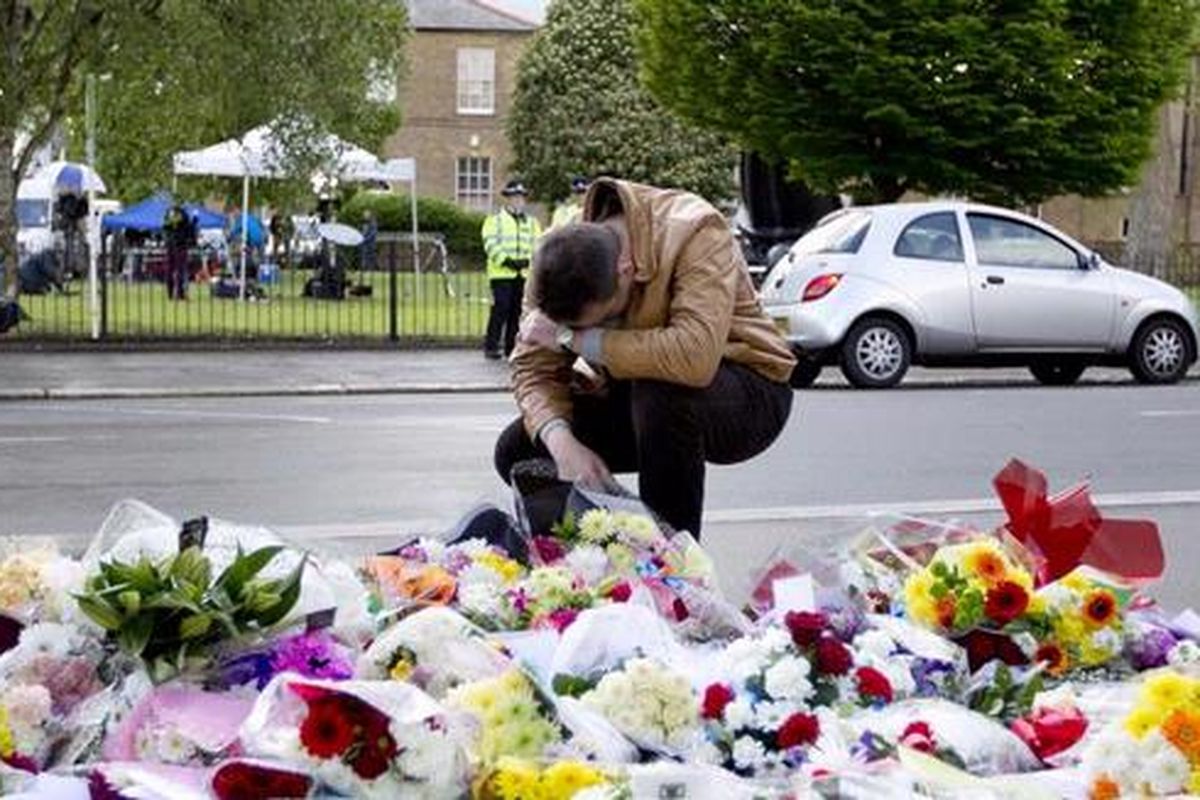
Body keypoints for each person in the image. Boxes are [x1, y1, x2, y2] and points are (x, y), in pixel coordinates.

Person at [494, 178, 797, 538]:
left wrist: (568, 338)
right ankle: (602, 561)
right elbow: (532, 367)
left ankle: (676, 573)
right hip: (638, 393)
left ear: (626, 269)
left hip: (747, 388)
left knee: (661, 393)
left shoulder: (696, 229)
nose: (589, 334)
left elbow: (694, 356)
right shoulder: (557, 253)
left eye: (601, 321)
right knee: (521, 450)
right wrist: (563, 444)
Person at [481, 179, 542, 360]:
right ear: (507, 199)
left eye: (521, 198)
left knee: (517, 311)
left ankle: (511, 347)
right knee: (501, 308)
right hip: (501, 273)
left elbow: (538, 244)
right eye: (514, 197)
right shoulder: (494, 221)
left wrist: (528, 261)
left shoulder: (532, 223)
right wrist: (506, 261)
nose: (518, 201)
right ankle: (491, 346)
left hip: (523, 273)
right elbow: (490, 243)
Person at [163, 202, 196, 300]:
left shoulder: (168, 214)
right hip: (180, 244)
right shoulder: (183, 214)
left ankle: (170, 293)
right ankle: (180, 294)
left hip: (170, 244)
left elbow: (165, 228)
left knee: (170, 269)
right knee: (180, 270)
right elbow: (189, 229)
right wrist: (195, 220)